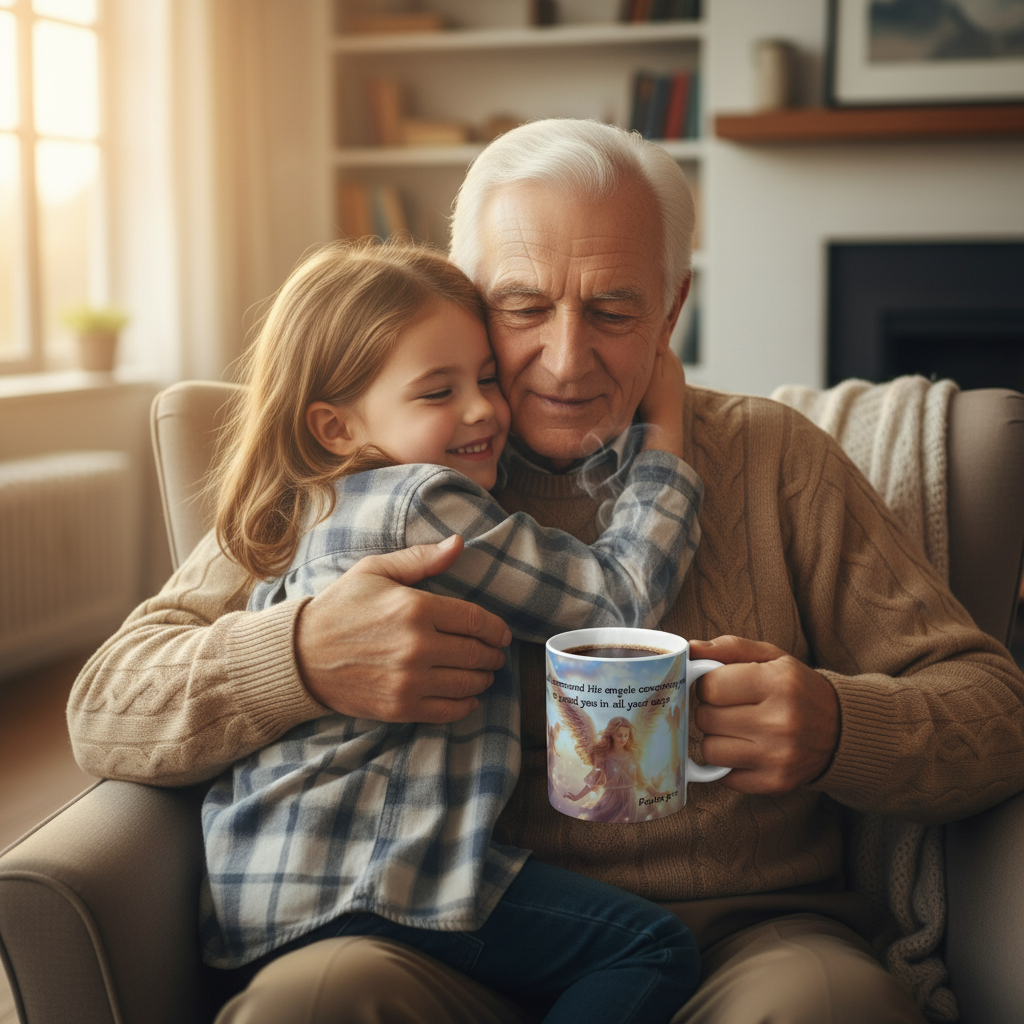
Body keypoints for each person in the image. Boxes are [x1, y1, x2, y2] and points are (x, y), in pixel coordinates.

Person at [68, 119, 1024, 1024]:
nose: (566, 362)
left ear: (673, 307)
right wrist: (300, 655)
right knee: (311, 1003)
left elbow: (995, 710)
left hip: (748, 931)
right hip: (432, 929)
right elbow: (106, 708)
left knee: (830, 1009)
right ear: (458, 295)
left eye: (613, 310)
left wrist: (835, 726)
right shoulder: (368, 472)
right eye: (521, 308)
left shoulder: (774, 459)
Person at [199, 238, 705, 1024]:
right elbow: (617, 605)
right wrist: (666, 438)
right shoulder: (420, 502)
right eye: (438, 393)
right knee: (651, 949)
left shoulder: (307, 507)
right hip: (378, 877)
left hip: (267, 882)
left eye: (487, 379)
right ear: (335, 426)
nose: (484, 411)